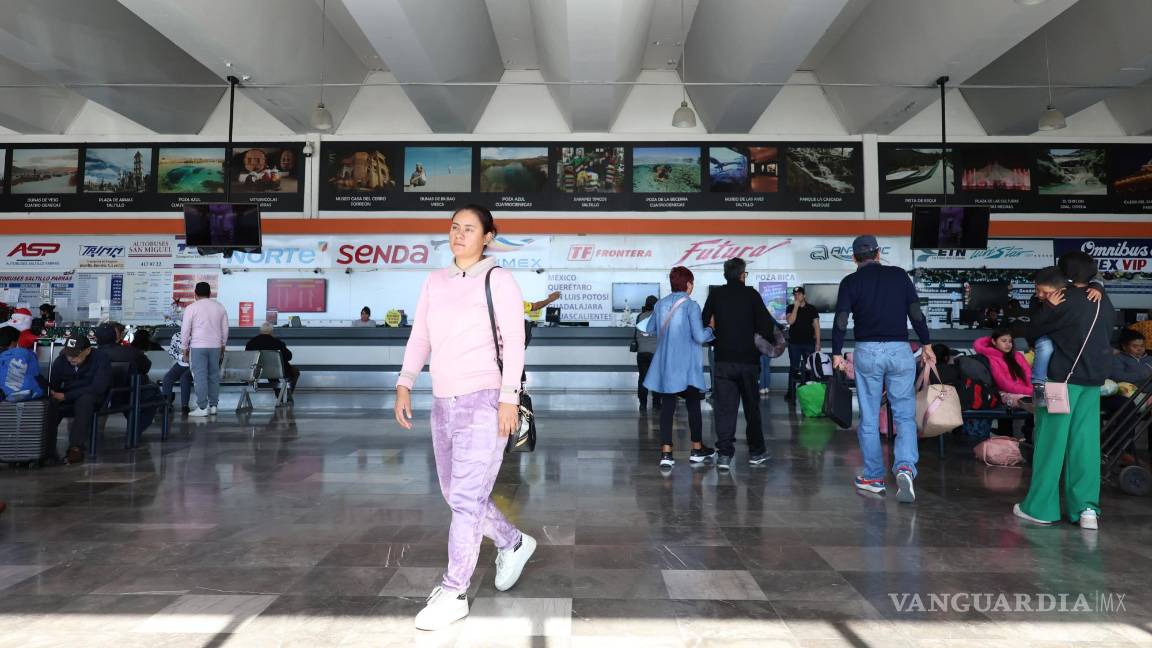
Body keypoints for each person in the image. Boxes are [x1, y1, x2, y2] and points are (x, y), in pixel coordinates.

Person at [394, 205, 536, 632]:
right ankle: (513, 543)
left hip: (485, 401)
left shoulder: (499, 280)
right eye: (455, 227)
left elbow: (514, 342)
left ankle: (454, 591)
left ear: (488, 237)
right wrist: (405, 381)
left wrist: (509, 398)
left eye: (469, 229)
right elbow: (421, 335)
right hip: (443, 402)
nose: (458, 234)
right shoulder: (434, 281)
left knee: (467, 499)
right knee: (457, 495)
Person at [831, 235, 934, 502]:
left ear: (854, 258)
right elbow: (916, 313)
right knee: (904, 415)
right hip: (900, 350)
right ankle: (905, 467)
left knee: (869, 417)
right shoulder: (899, 276)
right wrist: (927, 343)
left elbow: (841, 319)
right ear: (878, 254)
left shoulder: (850, 282)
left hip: (867, 351)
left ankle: (874, 477)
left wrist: (836, 353)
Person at [1014, 264, 1114, 530]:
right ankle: (1087, 509)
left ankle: (1040, 508)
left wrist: (1047, 307)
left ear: (1065, 280)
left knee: (1051, 443)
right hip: (1091, 383)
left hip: (1061, 384)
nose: (1040, 295)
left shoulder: (1063, 302)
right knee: (1085, 444)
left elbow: (1031, 333)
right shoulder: (1102, 300)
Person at [702, 258, 778, 469]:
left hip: (723, 360)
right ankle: (756, 452)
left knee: (724, 409)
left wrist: (717, 339)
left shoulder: (716, 295)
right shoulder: (751, 295)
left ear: (725, 274)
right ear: (742, 275)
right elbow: (766, 326)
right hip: (748, 362)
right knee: (752, 408)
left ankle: (724, 455)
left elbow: (704, 321)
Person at [643, 266, 716, 469]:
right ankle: (696, 449)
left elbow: (650, 328)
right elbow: (699, 336)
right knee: (693, 406)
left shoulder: (660, 304)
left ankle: (666, 453)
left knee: (667, 407)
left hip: (667, 365)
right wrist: (711, 328)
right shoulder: (691, 306)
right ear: (688, 284)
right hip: (687, 367)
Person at [47, 336, 111, 464]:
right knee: (50, 404)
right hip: (70, 396)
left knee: (85, 401)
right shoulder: (61, 360)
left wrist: (66, 396)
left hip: (93, 397)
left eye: (75, 355)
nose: (71, 358)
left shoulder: (100, 359)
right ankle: (45, 447)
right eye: (68, 354)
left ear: (88, 350)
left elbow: (98, 387)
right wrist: (51, 393)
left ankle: (75, 448)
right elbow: (53, 383)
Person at [94, 323, 158, 434]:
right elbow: (146, 367)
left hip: (102, 398)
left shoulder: (91, 355)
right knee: (152, 394)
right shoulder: (130, 352)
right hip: (128, 395)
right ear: (116, 337)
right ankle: (134, 431)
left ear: (96, 338)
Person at [181, 282, 229, 417]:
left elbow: (185, 330)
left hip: (198, 347)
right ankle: (213, 406)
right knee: (214, 376)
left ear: (195, 294)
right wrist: (223, 345)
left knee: (200, 377)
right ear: (210, 294)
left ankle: (202, 407)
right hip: (215, 346)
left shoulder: (191, 308)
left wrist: (184, 348)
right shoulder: (219, 307)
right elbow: (225, 329)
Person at [974, 328, 1032, 407]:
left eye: (1010, 341)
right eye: (1004, 341)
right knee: (1029, 402)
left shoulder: (1018, 356)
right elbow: (1004, 384)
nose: (1008, 344)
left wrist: (1033, 390)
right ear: (994, 342)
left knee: (1042, 398)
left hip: (1026, 392)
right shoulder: (991, 359)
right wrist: (1031, 392)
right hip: (1005, 393)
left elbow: (1029, 376)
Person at [784, 287, 820, 401]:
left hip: (809, 343)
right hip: (794, 344)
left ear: (804, 295)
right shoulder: (790, 307)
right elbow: (790, 321)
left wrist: (818, 343)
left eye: (799, 294)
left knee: (809, 368)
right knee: (794, 368)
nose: (797, 296)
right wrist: (795, 307)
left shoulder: (812, 308)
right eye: (795, 294)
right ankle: (791, 393)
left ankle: (808, 392)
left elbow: (816, 326)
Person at [246, 322, 301, 396]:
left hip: (256, 372)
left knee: (271, 373)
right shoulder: (277, 343)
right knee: (295, 372)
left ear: (260, 331)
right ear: (271, 331)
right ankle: (286, 395)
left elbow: (248, 358)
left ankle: (280, 394)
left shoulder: (251, 343)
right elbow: (289, 357)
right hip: (276, 370)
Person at [0, 326, 44, 402]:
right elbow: (36, 374)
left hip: (4, 396)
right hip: (29, 394)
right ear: (13, 342)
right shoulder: (27, 353)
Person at [634, 295, 661, 413]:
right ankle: (656, 403)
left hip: (641, 352)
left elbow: (636, 334)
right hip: (655, 353)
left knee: (642, 378)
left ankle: (643, 405)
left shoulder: (640, 316)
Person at [162, 329, 194, 415]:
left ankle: (185, 406)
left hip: (194, 365)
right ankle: (166, 404)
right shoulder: (177, 336)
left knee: (184, 378)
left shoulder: (198, 335)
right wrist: (181, 357)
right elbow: (172, 351)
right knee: (167, 378)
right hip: (180, 364)